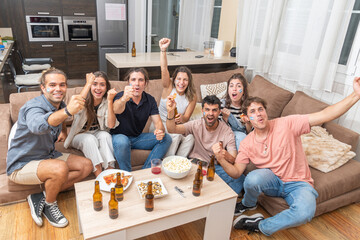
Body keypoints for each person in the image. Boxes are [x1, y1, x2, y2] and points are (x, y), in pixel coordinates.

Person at [217, 77, 360, 236]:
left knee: (305, 212)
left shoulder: (287, 123)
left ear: (265, 111)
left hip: (298, 183)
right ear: (245, 117)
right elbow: (237, 172)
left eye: (260, 109)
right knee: (252, 179)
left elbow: (325, 114)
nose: (258, 114)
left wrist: (356, 95)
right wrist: (221, 158)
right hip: (273, 179)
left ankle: (261, 225)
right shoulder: (247, 143)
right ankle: (248, 204)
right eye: (252, 112)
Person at [6, 68, 93, 228]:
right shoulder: (33, 107)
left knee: (86, 166)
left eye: (62, 85)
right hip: (22, 165)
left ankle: (42, 196)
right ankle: (50, 204)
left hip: (48, 155)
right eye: (52, 85)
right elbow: (37, 126)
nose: (58, 89)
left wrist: (64, 131)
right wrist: (67, 111)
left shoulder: (60, 104)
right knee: (60, 169)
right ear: (42, 87)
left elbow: (64, 114)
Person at [166, 94, 245, 194]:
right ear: (202, 111)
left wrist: (223, 154)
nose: (210, 113)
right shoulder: (195, 124)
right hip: (195, 163)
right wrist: (170, 112)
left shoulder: (227, 131)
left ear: (219, 112)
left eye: (214, 110)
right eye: (207, 110)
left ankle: (220, 201)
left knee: (240, 179)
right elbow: (172, 129)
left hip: (214, 168)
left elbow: (233, 159)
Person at [111, 68, 172, 171]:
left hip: (137, 138)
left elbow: (158, 123)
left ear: (145, 83)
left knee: (166, 138)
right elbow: (116, 109)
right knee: (123, 142)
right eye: (133, 80)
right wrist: (124, 99)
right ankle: (127, 174)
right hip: (119, 136)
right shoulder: (120, 96)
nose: (137, 84)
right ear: (128, 82)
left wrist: (160, 131)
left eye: (141, 80)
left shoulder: (150, 100)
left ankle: (145, 171)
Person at [64, 71, 118, 177]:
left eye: (102, 85)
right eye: (95, 84)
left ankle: (110, 173)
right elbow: (75, 106)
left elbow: (111, 125)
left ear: (106, 88)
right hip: (78, 136)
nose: (98, 88)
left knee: (105, 135)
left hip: (97, 132)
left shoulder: (107, 101)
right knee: (89, 139)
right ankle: (100, 177)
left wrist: (110, 101)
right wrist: (88, 83)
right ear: (90, 86)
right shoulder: (82, 99)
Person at [153, 38, 197, 157]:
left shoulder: (192, 97)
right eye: (178, 79)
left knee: (191, 138)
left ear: (189, 81)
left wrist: (182, 118)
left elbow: (187, 117)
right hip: (160, 124)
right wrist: (163, 50)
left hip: (176, 126)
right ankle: (167, 163)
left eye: (185, 79)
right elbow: (164, 69)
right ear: (174, 79)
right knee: (176, 136)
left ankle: (178, 162)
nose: (181, 83)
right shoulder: (168, 87)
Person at [221, 73, 251, 150]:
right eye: (231, 86)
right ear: (228, 90)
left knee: (243, 136)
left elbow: (248, 132)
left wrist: (247, 122)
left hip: (242, 135)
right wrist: (225, 119)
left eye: (238, 86)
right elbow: (218, 129)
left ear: (243, 90)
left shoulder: (248, 107)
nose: (234, 89)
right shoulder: (222, 104)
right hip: (225, 133)